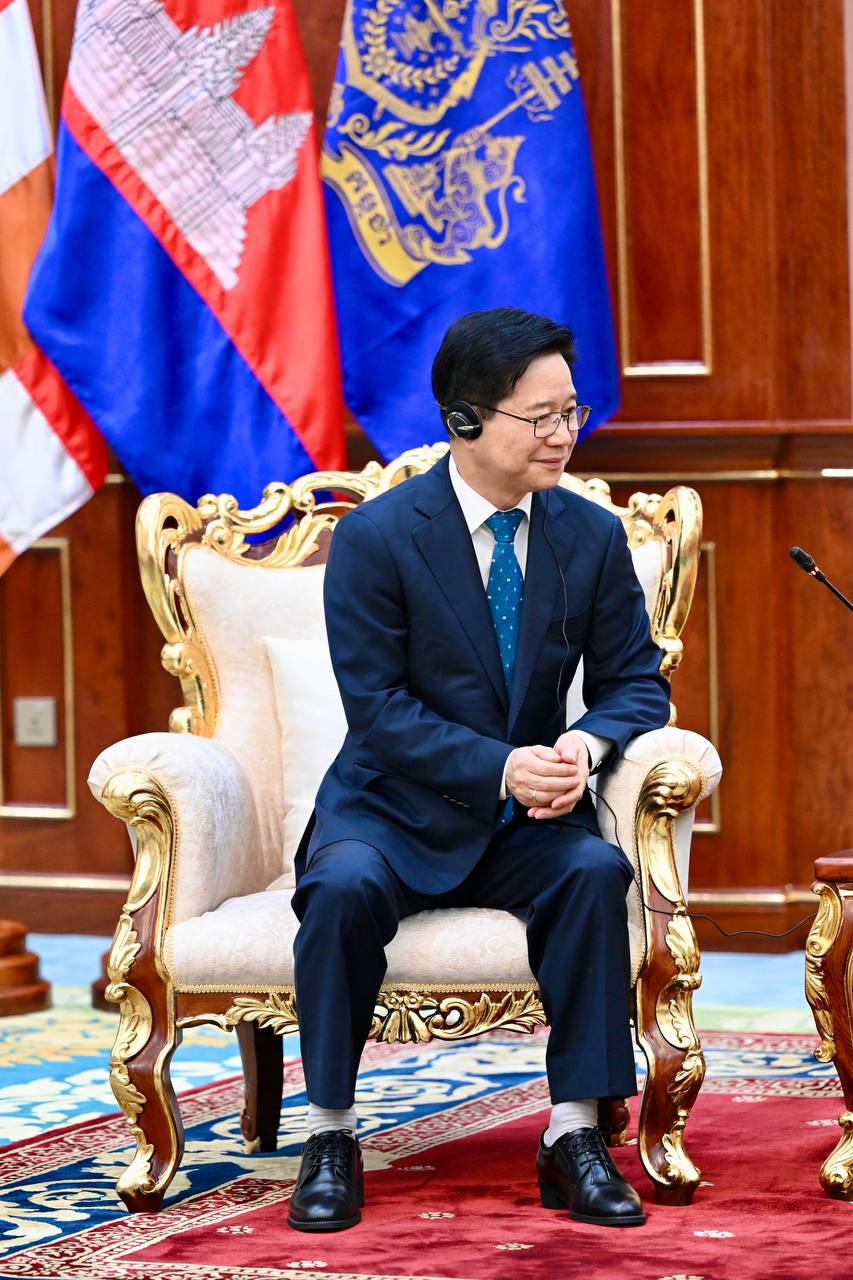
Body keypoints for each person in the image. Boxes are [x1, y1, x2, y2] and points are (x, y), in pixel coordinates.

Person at [287, 307, 671, 1233]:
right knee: (339, 889)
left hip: (521, 822)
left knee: (593, 870)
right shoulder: (378, 538)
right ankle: (330, 1133)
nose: (562, 434)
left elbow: (634, 684)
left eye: (570, 411)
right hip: (391, 808)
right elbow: (378, 710)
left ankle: (574, 1134)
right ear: (464, 419)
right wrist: (502, 767)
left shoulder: (589, 536)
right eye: (538, 417)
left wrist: (582, 748)